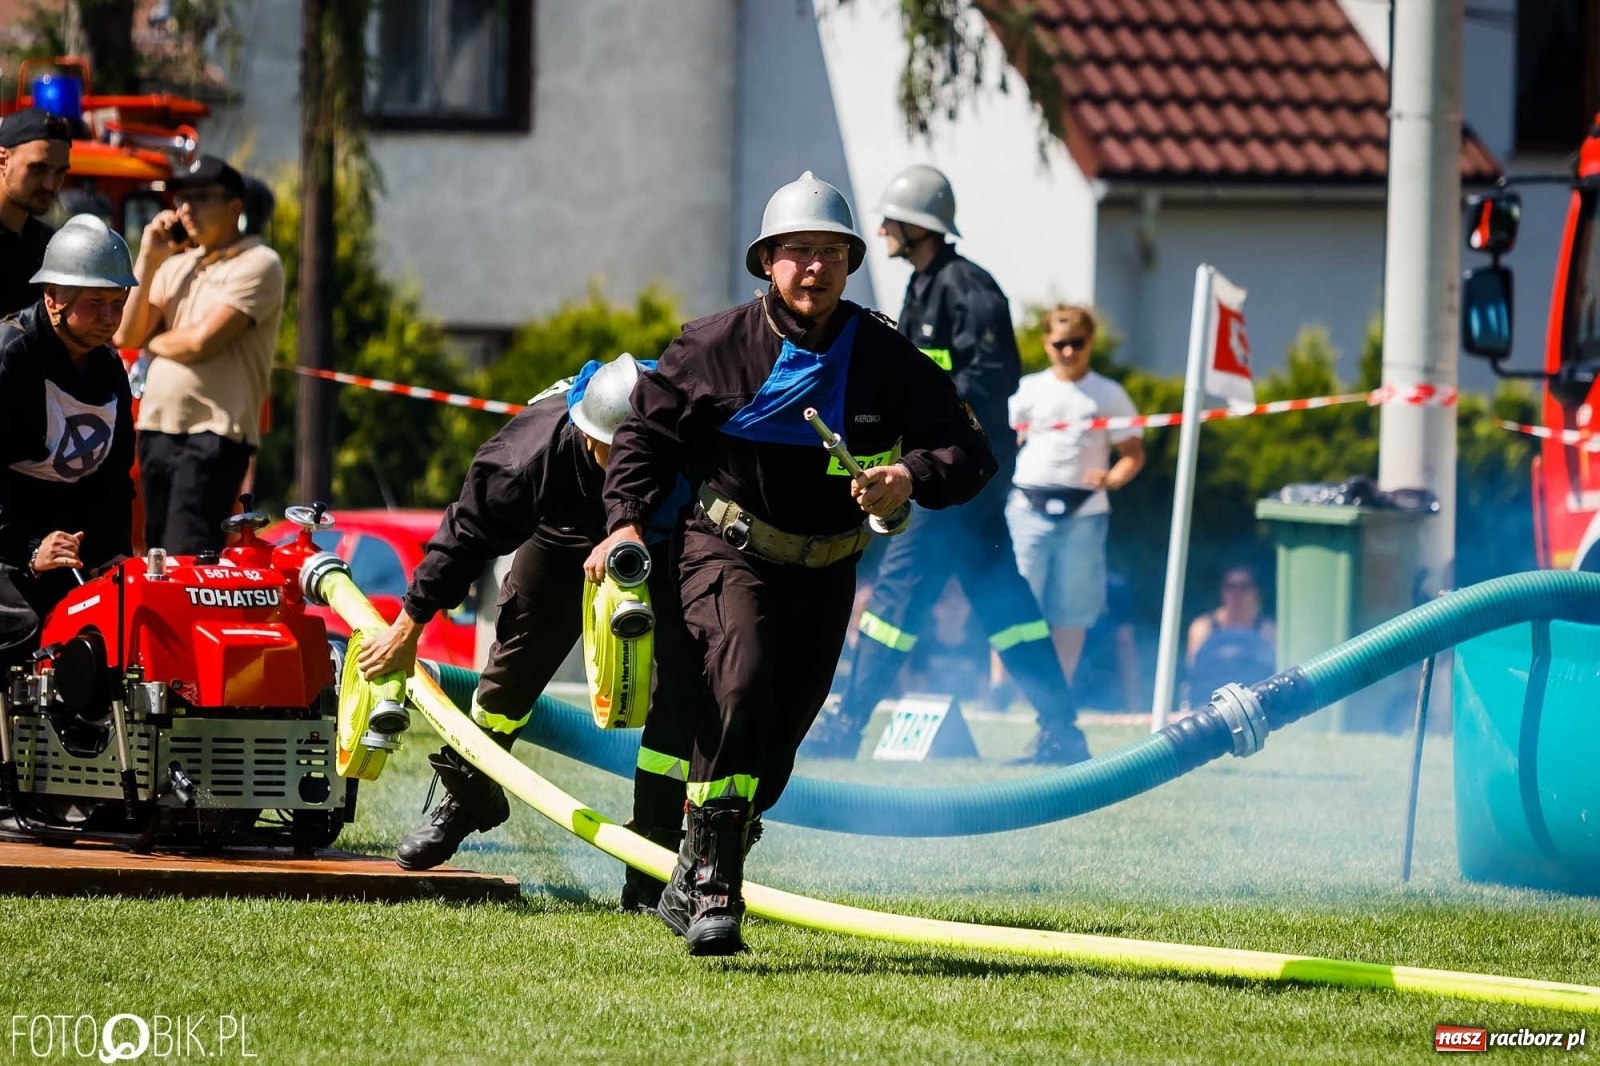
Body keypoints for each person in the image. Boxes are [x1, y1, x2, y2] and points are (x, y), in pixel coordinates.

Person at [586, 170, 995, 956]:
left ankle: (693, 871)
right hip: (724, 551)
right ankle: (713, 888)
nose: (815, 268)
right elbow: (643, 436)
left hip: (828, 569)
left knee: (776, 745)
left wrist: (909, 475)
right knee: (739, 681)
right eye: (798, 253)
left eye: (832, 253)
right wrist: (626, 523)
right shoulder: (713, 346)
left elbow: (968, 451)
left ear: (850, 262)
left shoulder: (883, 354)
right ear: (767, 261)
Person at [355, 355, 698, 911]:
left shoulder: (686, 432)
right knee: (511, 670)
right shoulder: (525, 459)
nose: (634, 465)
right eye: (621, 454)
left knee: (686, 686)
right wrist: (408, 625)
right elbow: (463, 535)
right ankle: (469, 796)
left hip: (664, 538)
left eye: (647, 453)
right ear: (589, 439)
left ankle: (653, 857)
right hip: (563, 530)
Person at [800, 163, 1091, 765]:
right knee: (1003, 601)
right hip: (947, 473)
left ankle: (847, 724)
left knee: (898, 593)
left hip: (959, 479)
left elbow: (993, 377)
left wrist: (926, 403)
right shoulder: (923, 287)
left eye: (891, 220)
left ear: (919, 226)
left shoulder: (968, 288)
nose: (879, 228)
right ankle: (1063, 732)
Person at [113, 154, 285, 555]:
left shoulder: (259, 263)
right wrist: (149, 258)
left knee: (187, 551)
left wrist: (155, 343)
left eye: (200, 197)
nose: (185, 208)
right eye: (181, 199)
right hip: (157, 427)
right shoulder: (174, 267)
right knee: (154, 552)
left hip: (214, 432)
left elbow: (202, 342)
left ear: (234, 206)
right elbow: (126, 333)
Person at [0, 216, 137, 675]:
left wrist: (112, 553)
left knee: (123, 623)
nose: (109, 318)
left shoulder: (110, 368)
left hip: (64, 546)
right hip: (10, 543)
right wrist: (27, 547)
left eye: (118, 303)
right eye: (95, 302)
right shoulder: (9, 355)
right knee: (30, 625)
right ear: (52, 296)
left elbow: (113, 482)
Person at [1005, 304, 1145, 684]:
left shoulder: (1109, 394)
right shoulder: (1027, 390)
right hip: (1026, 507)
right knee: (1013, 603)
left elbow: (1132, 453)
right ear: (1047, 343)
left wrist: (1113, 478)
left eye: (1077, 342)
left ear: (1090, 342)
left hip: (1084, 511)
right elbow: (1001, 443)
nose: (1069, 351)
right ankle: (1003, 690)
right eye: (1061, 343)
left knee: (1072, 611)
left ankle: (1057, 693)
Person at [0, 108, 73, 318]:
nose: (50, 185)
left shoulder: (51, 247)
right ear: (3, 160)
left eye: (60, 172)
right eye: (38, 169)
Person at [1186, 565, 1277, 709]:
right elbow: (1193, 671)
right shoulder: (1203, 627)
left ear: (1255, 592)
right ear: (1223, 590)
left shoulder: (1268, 630)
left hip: (1255, 705)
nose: (1237, 593)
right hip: (1207, 704)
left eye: (1244, 587)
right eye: (1231, 586)